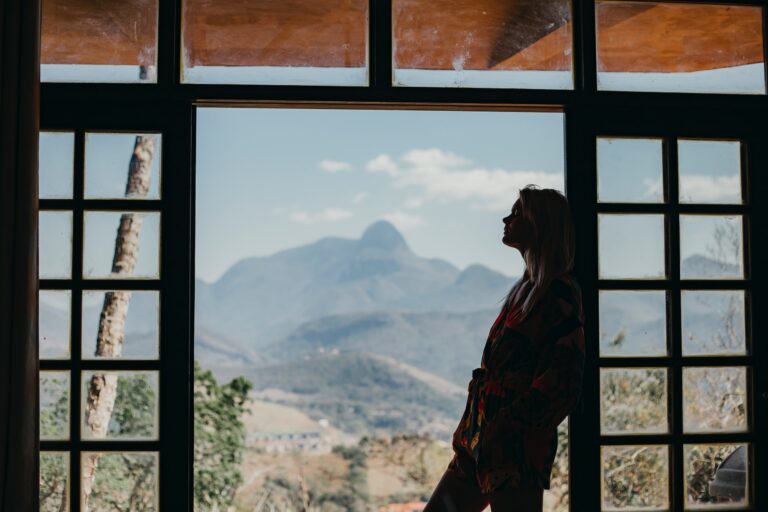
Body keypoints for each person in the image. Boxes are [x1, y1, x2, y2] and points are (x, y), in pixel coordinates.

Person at [424, 185, 586, 512]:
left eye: (516, 213)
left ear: (539, 226)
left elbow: (564, 379)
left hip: (514, 446)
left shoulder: (558, 295)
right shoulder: (525, 290)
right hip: (481, 439)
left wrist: (511, 424)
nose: (506, 220)